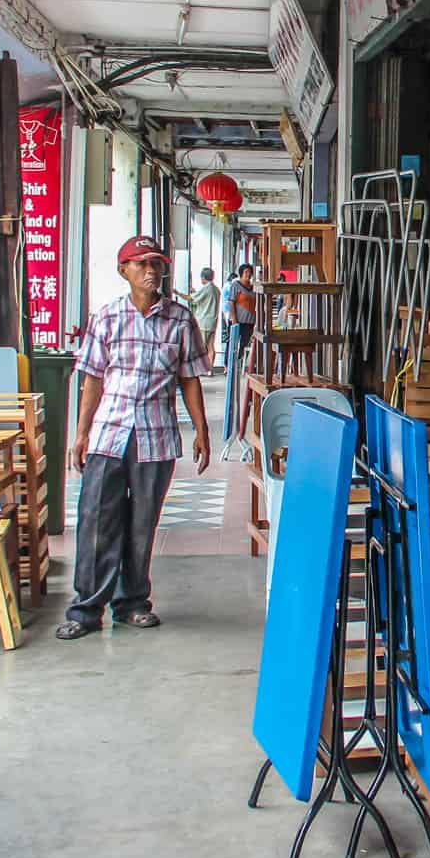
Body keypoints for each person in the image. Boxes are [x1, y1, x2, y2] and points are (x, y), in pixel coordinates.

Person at [58, 235, 211, 640]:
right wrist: (80, 434)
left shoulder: (180, 319)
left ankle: (132, 604)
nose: (150, 271)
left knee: (143, 523)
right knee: (96, 521)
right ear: (123, 270)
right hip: (109, 434)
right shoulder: (106, 318)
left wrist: (201, 431)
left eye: (156, 264)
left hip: (156, 436)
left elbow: (189, 379)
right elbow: (91, 378)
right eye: (141, 264)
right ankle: (85, 610)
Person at [222, 262, 258, 441]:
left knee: (244, 345)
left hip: (250, 322)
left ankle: (240, 364)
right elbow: (232, 303)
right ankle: (230, 365)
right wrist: (234, 321)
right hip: (238, 322)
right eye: (245, 272)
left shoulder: (253, 287)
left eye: (249, 273)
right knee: (234, 345)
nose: (248, 275)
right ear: (241, 273)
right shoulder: (236, 286)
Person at [178, 266, 222, 373]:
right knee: (210, 346)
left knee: (200, 348)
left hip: (204, 322)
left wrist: (177, 292)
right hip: (213, 321)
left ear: (203, 277)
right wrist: (195, 292)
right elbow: (203, 299)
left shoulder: (207, 288)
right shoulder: (216, 289)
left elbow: (191, 299)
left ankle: (201, 370)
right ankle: (209, 370)